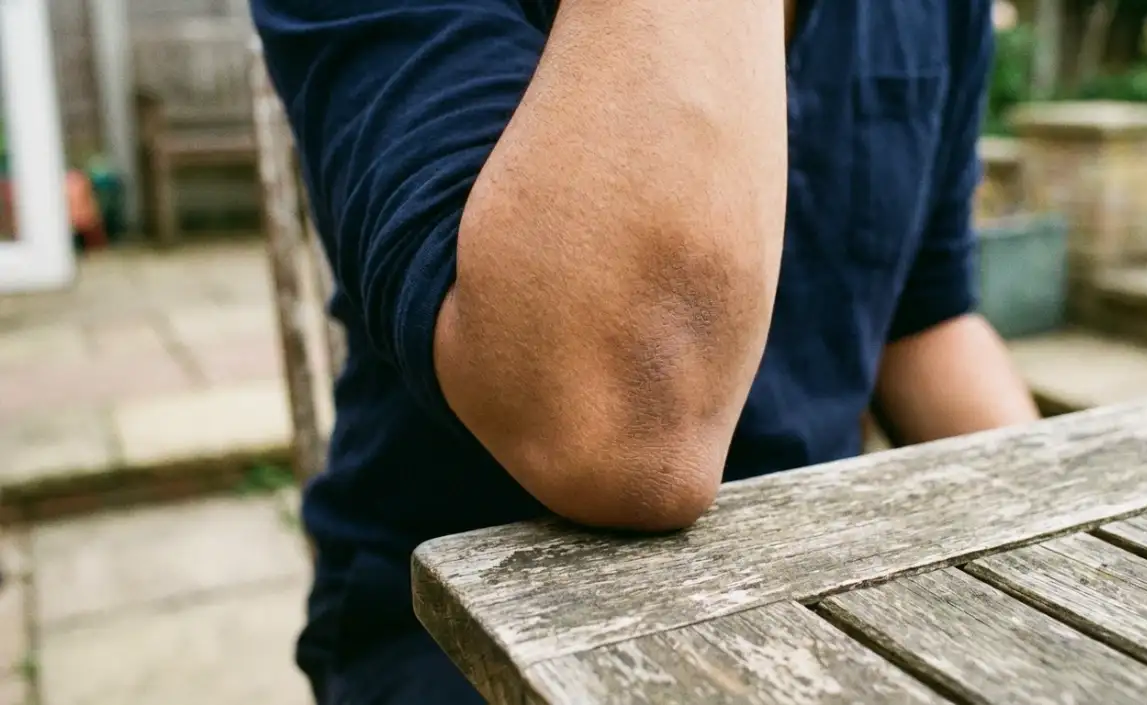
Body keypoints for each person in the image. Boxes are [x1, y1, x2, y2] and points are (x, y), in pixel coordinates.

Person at [250, 0, 1040, 702]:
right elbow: (624, 429)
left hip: (806, 580)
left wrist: (1052, 526)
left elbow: (925, 320)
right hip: (461, 625)